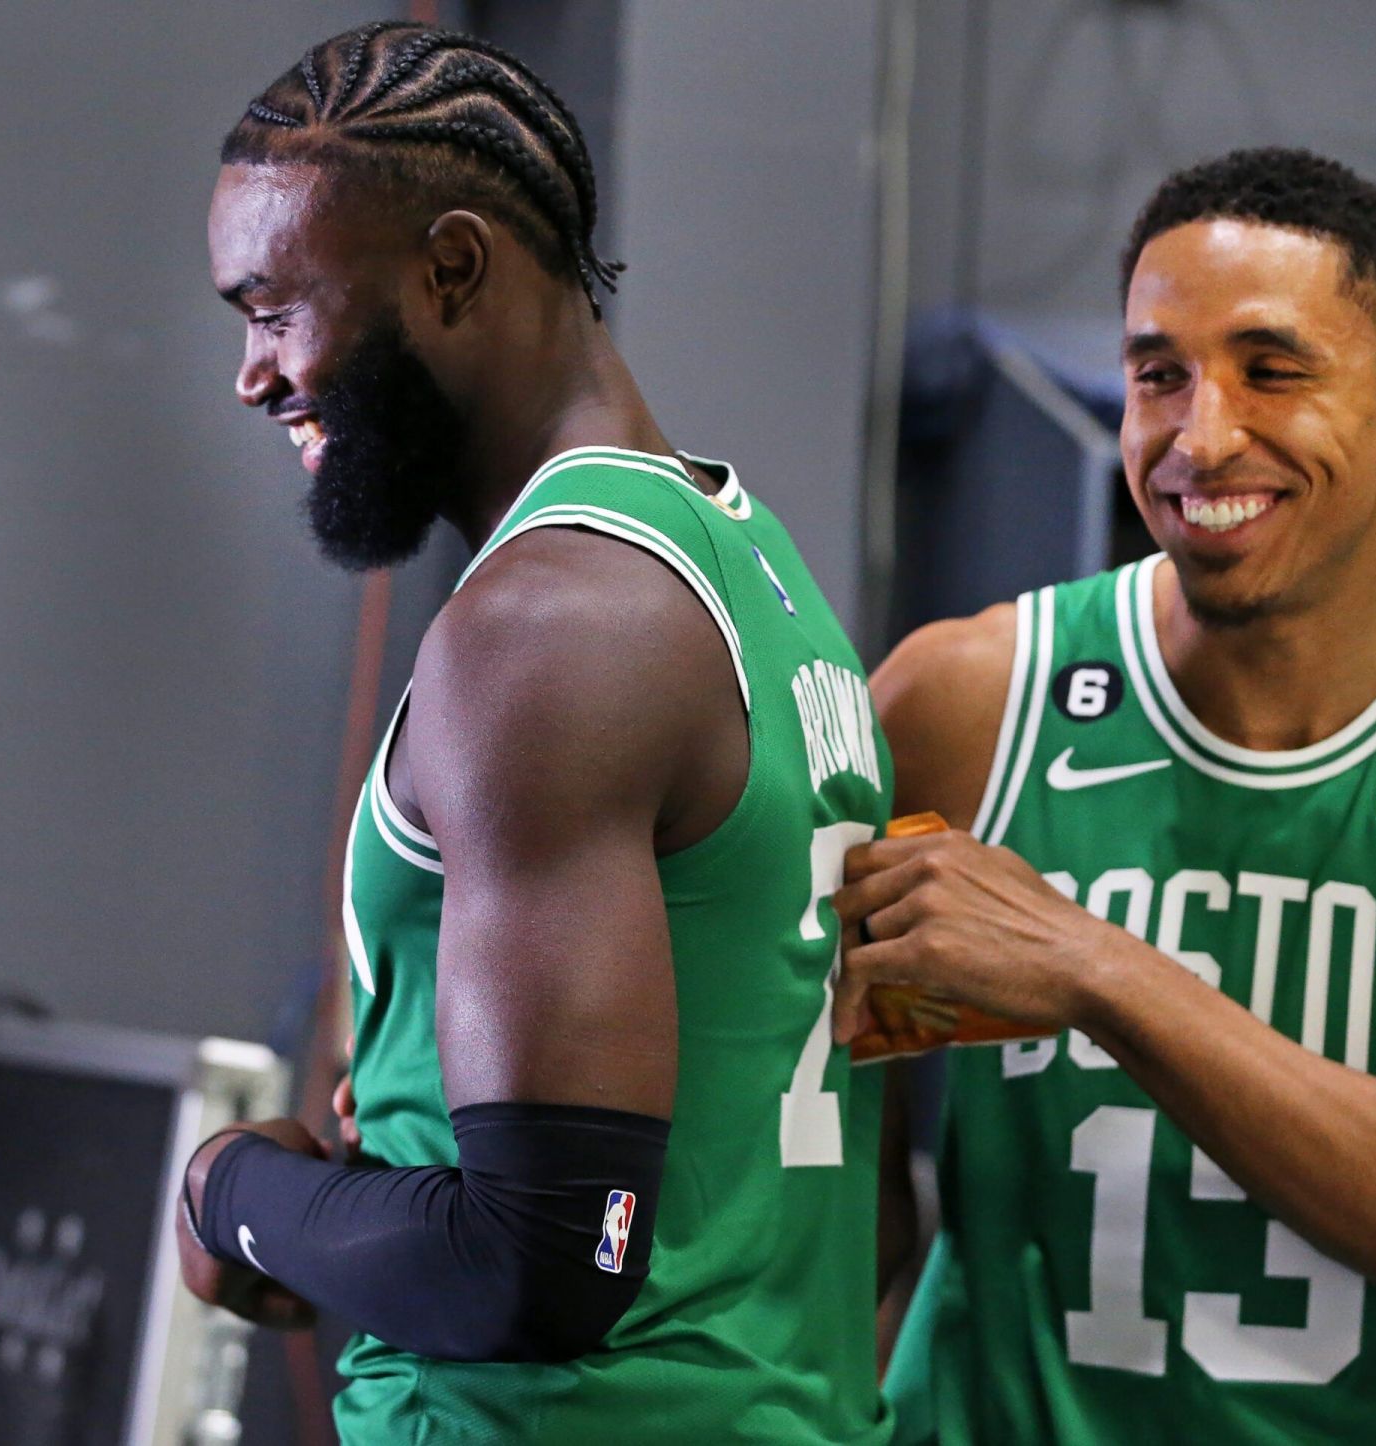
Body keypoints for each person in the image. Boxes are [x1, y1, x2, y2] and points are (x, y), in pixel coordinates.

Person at [835, 148, 1376, 1442]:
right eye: (1157, 375)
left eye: (1272, 369)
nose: (1202, 434)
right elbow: (845, 1205)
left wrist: (1100, 969)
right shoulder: (965, 708)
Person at [172, 23, 894, 1444]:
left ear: (452, 269)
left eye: (272, 309)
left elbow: (547, 1259)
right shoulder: (753, 564)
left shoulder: (544, 630)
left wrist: (233, 1193)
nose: (252, 375)